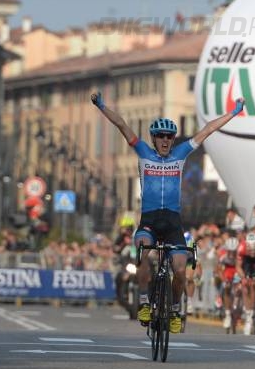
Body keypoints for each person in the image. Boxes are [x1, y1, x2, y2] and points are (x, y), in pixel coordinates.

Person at [91, 90, 244, 333]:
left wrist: (234, 113)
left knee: (181, 270)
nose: (164, 140)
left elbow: (207, 130)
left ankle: (173, 309)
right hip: (150, 220)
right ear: (153, 139)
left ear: (173, 139)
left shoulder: (181, 153)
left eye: (169, 136)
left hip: (173, 222)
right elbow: (122, 124)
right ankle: (143, 301)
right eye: (160, 136)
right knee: (141, 253)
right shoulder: (143, 153)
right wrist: (101, 106)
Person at [235, 231, 255, 335]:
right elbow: (238, 266)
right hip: (246, 262)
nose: (252, 252)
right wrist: (243, 277)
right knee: (245, 284)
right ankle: (248, 314)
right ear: (247, 246)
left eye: (254, 249)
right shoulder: (241, 248)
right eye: (250, 249)